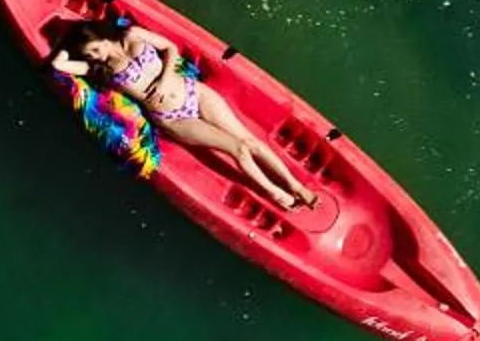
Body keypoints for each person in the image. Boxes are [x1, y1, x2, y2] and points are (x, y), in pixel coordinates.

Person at [45, 14, 319, 212]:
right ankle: (276, 193)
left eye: (95, 49)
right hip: (175, 118)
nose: (95, 56)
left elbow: (170, 48)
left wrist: (165, 80)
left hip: (193, 92)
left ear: (103, 36)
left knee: (251, 141)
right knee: (237, 148)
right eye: (89, 55)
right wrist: (69, 45)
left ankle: (296, 186)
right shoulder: (98, 69)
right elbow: (59, 64)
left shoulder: (133, 35)